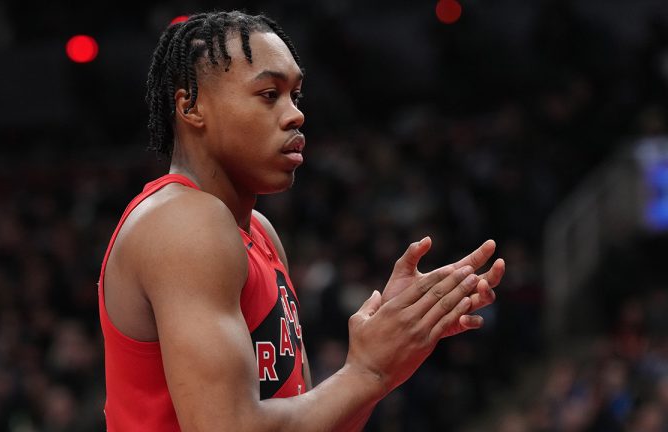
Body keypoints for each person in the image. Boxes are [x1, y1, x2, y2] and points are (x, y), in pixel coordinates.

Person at [97, 10, 505, 431]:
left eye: (296, 95)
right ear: (192, 105)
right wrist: (367, 372)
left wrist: (388, 355)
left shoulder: (260, 233)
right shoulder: (182, 223)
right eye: (270, 94)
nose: (295, 115)